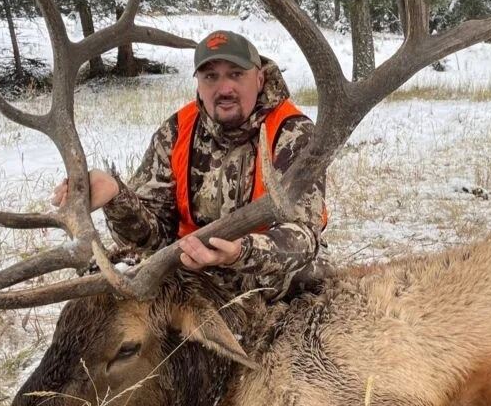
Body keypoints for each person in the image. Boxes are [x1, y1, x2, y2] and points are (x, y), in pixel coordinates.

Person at [52, 29, 327, 300]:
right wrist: (116, 197)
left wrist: (241, 252)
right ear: (198, 83)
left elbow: (303, 238)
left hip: (268, 281)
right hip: (190, 273)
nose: (225, 89)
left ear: (259, 78)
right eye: (211, 76)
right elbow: (151, 240)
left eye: (236, 74)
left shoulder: (293, 134)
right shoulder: (176, 132)